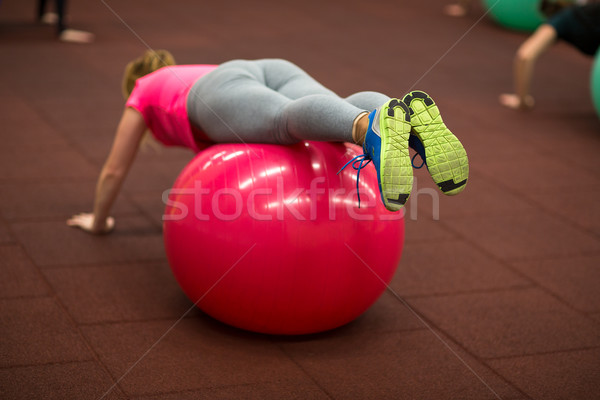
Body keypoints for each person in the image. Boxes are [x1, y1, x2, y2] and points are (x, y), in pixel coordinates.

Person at [67, 50, 469, 234]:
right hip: (265, 66)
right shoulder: (181, 71)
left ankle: (370, 129)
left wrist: (98, 222)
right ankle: (402, 116)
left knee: (283, 123)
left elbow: (115, 168)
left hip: (215, 91)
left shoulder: (140, 92)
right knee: (336, 109)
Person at [500, 1, 600, 110]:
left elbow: (524, 56)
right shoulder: (571, 17)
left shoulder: (563, 19)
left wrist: (521, 100)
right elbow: (525, 57)